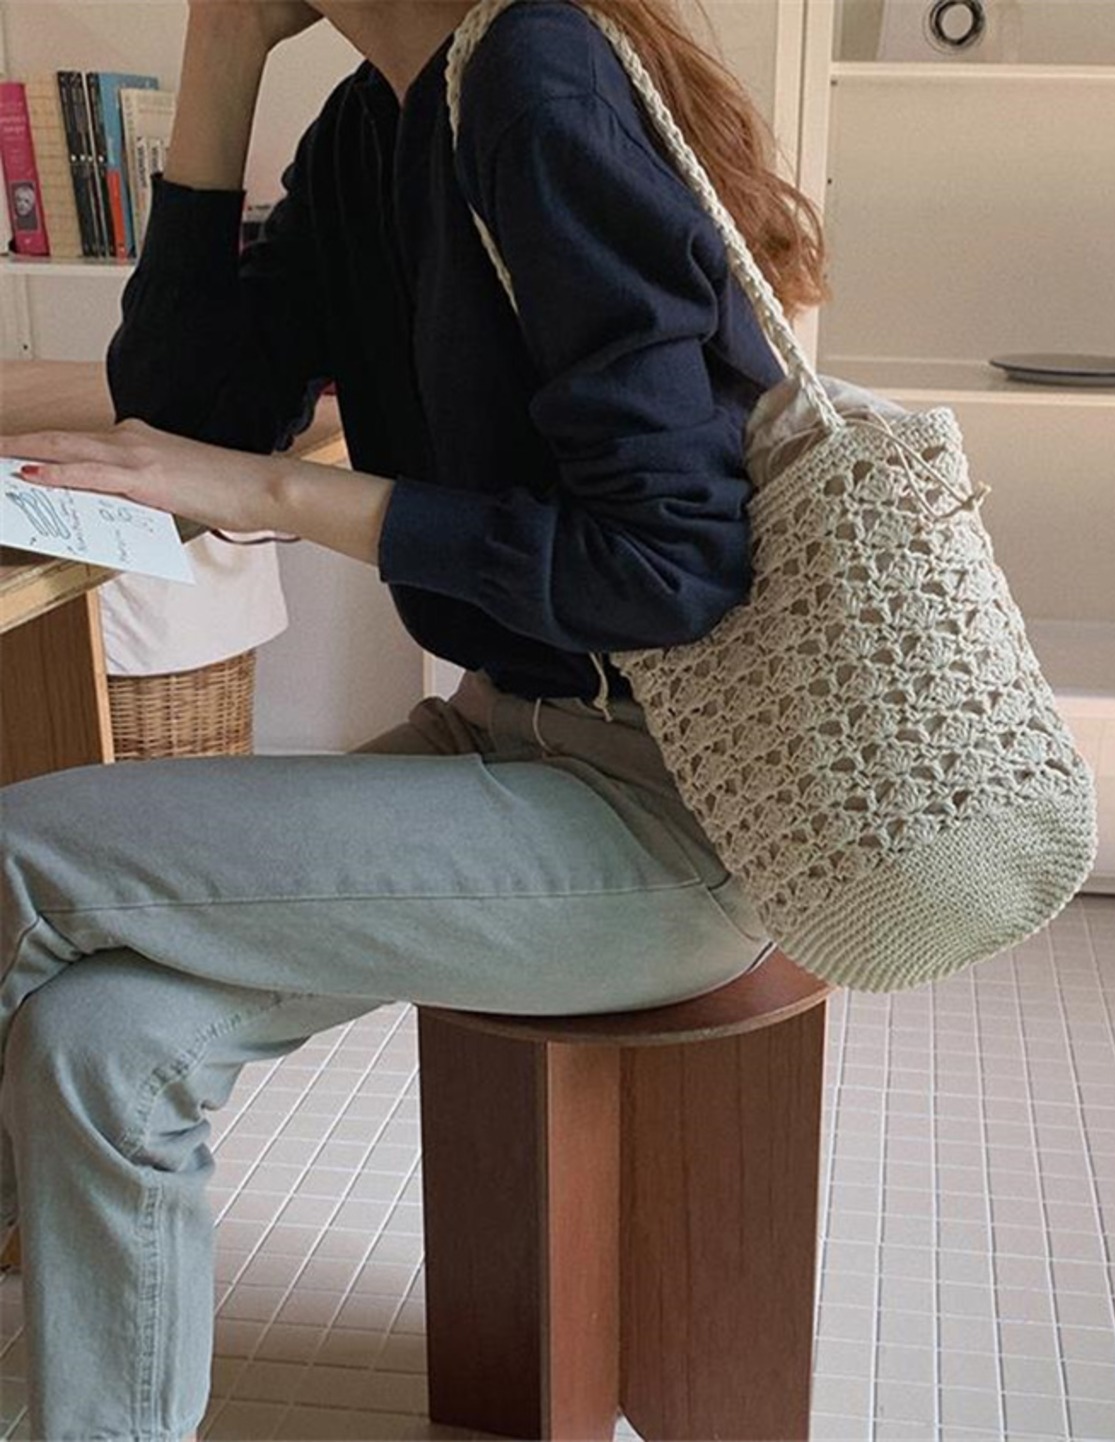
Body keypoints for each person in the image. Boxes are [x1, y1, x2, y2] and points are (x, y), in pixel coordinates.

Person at [0, 0, 826, 1436]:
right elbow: (184, 411)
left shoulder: (535, 79)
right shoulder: (375, 125)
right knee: (100, 1039)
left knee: (20, 846)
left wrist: (280, 495)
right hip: (509, 740)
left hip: (674, 816)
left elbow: (669, 565)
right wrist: (223, 55)